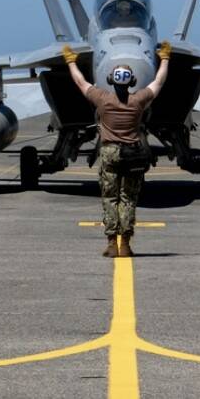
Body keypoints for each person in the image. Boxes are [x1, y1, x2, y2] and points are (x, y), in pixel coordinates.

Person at [63, 40, 171, 258]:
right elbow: (159, 82)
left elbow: (80, 82)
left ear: (111, 80)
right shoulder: (138, 101)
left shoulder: (102, 99)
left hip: (110, 153)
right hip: (133, 153)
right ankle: (126, 245)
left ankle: (112, 243)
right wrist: (165, 59)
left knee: (110, 198)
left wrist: (71, 62)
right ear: (132, 81)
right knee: (129, 199)